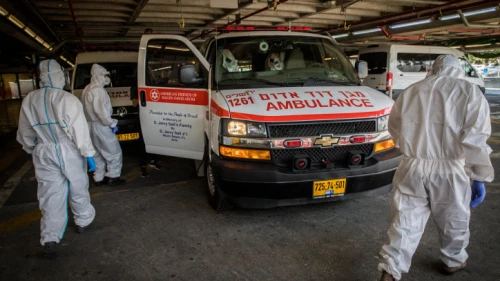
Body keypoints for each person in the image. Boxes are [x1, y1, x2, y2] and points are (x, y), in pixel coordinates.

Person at [378, 54, 494, 281]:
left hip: (413, 166)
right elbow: (476, 138)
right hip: (451, 169)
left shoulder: (412, 91)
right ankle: (453, 260)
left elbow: (394, 128)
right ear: (458, 70)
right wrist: (479, 175)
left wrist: (413, 149)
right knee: (454, 217)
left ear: (434, 69)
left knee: (404, 220)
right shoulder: (469, 92)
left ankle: (391, 269)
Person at [17, 59, 97, 258]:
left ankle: (50, 237)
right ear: (59, 75)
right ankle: (82, 221)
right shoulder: (67, 99)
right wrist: (88, 154)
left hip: (44, 151)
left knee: (50, 193)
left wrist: (31, 148)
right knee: (78, 186)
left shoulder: (29, 100)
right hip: (68, 150)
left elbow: (25, 131)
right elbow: (79, 130)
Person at [80, 64, 125, 186]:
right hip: (101, 126)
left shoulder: (87, 89)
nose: (107, 78)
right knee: (113, 151)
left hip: (90, 125)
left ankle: (98, 177)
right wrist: (111, 123)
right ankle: (113, 176)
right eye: (105, 75)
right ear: (98, 76)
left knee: (97, 153)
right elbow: (101, 112)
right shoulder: (98, 90)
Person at [130, 80, 162, 178]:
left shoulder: (152, 83)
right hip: (142, 118)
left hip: (153, 116)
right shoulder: (135, 87)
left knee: (154, 138)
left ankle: (153, 160)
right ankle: (143, 166)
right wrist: (142, 95)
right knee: (143, 142)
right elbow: (134, 104)